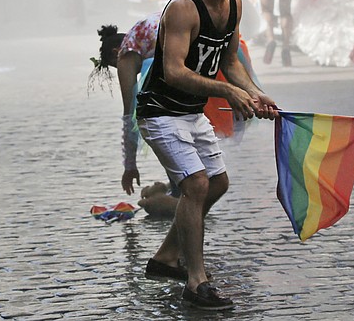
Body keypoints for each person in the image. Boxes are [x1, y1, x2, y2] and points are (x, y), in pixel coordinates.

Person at [135, 0, 278, 310]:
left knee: (217, 183)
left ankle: (166, 258)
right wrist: (229, 93)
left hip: (191, 113)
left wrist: (254, 92)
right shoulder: (182, 8)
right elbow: (175, 70)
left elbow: (229, 62)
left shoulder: (234, 5)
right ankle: (196, 282)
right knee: (197, 184)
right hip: (160, 112)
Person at [90, 13, 260, 219]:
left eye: (114, 66)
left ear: (116, 53)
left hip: (190, 66)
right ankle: (182, 192)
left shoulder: (127, 52)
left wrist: (129, 166)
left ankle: (179, 200)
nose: (120, 71)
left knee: (164, 121)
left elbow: (129, 117)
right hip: (212, 55)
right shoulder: (144, 33)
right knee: (185, 128)